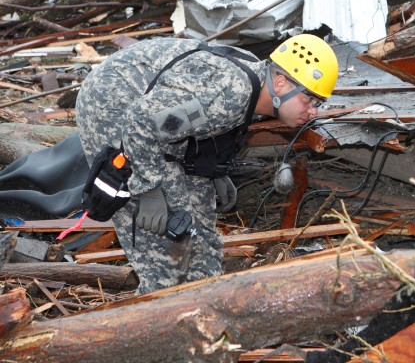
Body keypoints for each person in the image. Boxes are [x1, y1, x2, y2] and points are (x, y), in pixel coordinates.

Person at [75, 34, 339, 294]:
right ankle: (152, 313)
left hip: (154, 118)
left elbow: (192, 125)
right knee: (167, 249)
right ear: (281, 83)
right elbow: (142, 124)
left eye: (319, 103)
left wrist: (214, 172)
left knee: (202, 244)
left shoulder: (255, 89)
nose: (313, 111)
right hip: (115, 102)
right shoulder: (229, 95)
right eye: (308, 99)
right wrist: (148, 191)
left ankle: (201, 310)